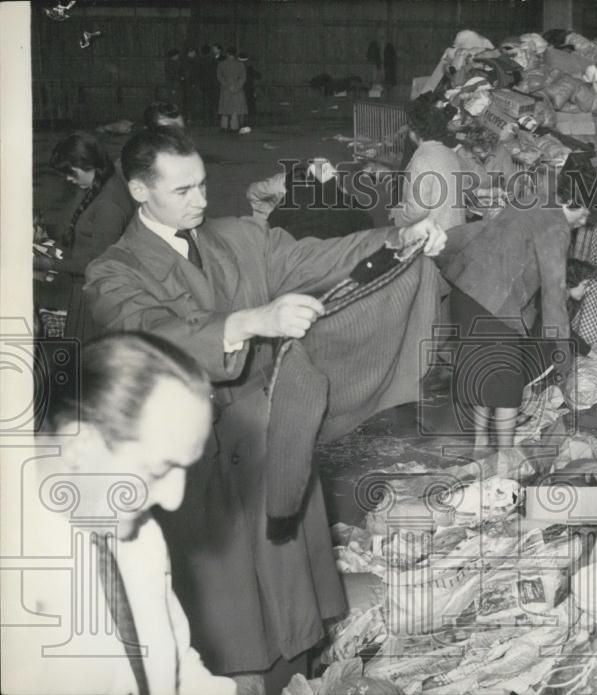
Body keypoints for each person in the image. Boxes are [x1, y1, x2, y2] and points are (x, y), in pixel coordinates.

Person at [83, 126, 446, 694]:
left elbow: (319, 254)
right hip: (195, 459)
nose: (202, 200)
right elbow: (148, 334)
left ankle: (298, 672)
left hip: (269, 434)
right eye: (183, 191)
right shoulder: (112, 272)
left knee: (289, 594)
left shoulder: (238, 239)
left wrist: (401, 237)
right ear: (137, 190)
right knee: (229, 620)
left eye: (203, 184)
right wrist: (251, 322)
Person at [1, 332, 236, 695]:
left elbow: (175, 665)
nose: (174, 500)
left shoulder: (138, 533)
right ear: (79, 446)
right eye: (158, 471)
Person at [439, 173, 590, 450]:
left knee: (483, 374)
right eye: (583, 216)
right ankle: (505, 457)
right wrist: (563, 354)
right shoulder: (555, 227)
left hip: (466, 293)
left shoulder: (530, 201)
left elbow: (482, 230)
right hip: (494, 304)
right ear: (573, 202)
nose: (583, 223)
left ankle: (480, 445)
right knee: (507, 386)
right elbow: (554, 296)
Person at [38, 132, 135, 340]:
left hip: (96, 295)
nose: (68, 179)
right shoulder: (96, 184)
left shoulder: (109, 204)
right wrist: (49, 242)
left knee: (89, 356)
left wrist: (46, 262)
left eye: (71, 172)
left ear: (87, 164)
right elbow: (82, 236)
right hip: (85, 287)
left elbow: (97, 264)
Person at [391, 94, 466, 232]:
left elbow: (418, 209)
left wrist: (398, 216)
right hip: (455, 228)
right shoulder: (450, 153)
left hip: (433, 234)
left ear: (414, 132)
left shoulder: (422, 161)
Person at [216, 47, 247, 134]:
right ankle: (234, 127)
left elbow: (219, 77)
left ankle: (224, 126)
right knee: (235, 108)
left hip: (225, 89)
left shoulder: (221, 64)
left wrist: (226, 85)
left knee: (225, 108)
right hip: (237, 89)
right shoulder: (240, 64)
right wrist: (236, 86)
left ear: (227, 54)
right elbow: (243, 78)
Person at [238, 52, 261, 130]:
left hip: (240, 89)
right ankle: (250, 122)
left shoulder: (237, 67)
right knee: (250, 106)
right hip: (249, 89)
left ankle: (240, 122)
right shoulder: (249, 67)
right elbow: (258, 75)